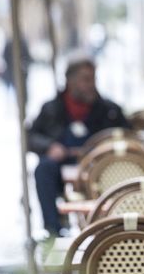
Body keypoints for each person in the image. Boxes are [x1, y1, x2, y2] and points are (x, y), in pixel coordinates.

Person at [28, 52, 130, 236]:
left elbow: (128, 136)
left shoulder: (109, 110)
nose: (91, 85)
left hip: (100, 171)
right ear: (70, 81)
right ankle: (53, 231)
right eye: (85, 79)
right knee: (43, 168)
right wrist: (49, 147)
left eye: (93, 79)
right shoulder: (51, 109)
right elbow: (30, 136)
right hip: (62, 168)